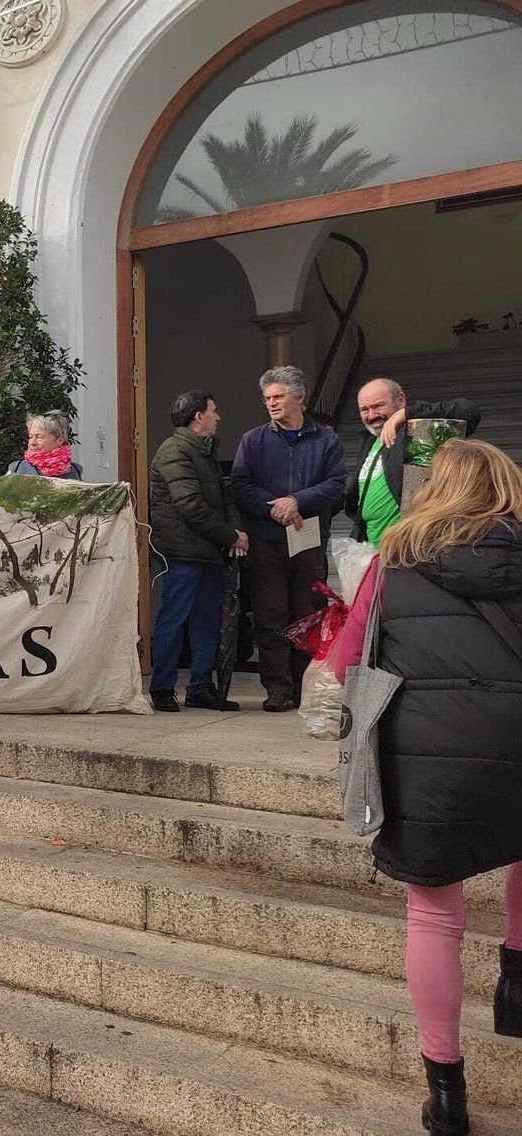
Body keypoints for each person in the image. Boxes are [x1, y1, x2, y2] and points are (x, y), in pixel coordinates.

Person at [328, 439, 522, 1136]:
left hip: (429, 749)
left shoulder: (392, 563)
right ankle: (518, 980)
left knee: (434, 914)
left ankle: (446, 1093)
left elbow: (347, 660)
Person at [230, 366, 345, 712]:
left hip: (308, 539)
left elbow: (336, 484)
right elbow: (240, 485)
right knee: (270, 615)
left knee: (307, 613)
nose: (271, 403)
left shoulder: (326, 440)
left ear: (300, 397)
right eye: (267, 398)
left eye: (278, 396)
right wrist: (276, 508)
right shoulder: (253, 440)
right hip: (266, 540)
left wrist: (299, 501)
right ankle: (277, 688)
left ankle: (303, 684)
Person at [146, 390, 247, 712]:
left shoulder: (202, 452)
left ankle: (201, 687)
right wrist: (230, 535)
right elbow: (190, 504)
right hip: (182, 552)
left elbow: (222, 496)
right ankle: (162, 687)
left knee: (206, 621)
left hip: (205, 550)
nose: (218, 417)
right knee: (174, 620)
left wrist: (235, 533)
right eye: (213, 411)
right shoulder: (174, 450)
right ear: (198, 416)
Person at [346, 378, 481, 547]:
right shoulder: (369, 443)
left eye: (378, 406)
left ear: (400, 400)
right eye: (364, 409)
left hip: (410, 550)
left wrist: (408, 413)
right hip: (373, 550)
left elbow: (469, 411)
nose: (372, 415)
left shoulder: (419, 434)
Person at [7, 412, 82, 480]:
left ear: (59, 440)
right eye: (31, 437)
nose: (32, 443)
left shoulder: (75, 470)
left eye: (39, 437)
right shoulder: (16, 469)